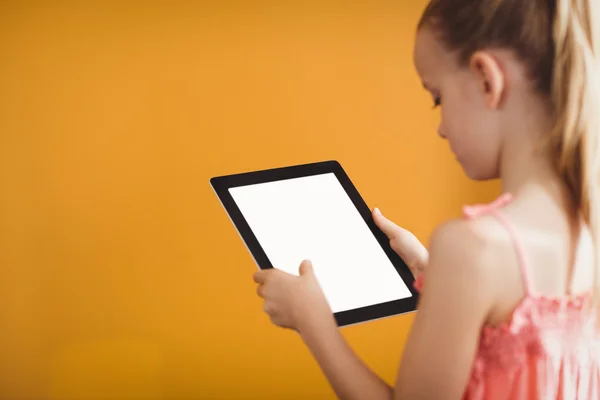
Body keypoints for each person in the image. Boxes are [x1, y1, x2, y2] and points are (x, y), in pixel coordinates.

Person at [252, 0, 600, 398]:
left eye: (437, 97)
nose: (440, 127)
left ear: (487, 80)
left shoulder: (470, 249)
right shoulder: (587, 229)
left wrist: (312, 323)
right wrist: (429, 268)